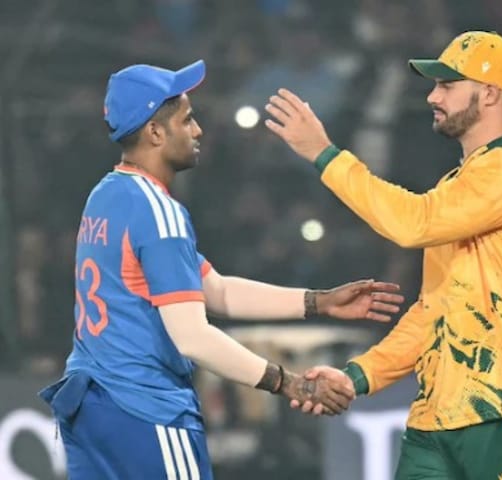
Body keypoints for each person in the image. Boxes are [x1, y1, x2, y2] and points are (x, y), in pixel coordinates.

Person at [38, 59, 405, 480]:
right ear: (155, 132)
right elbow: (193, 337)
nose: (198, 131)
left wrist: (318, 302)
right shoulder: (158, 212)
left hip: (91, 409)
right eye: (186, 120)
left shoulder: (107, 196)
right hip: (145, 410)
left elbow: (214, 289)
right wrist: (288, 382)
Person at [266, 30, 502, 479]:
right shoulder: (456, 186)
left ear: (488, 93)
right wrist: (357, 376)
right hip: (435, 417)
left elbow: (413, 224)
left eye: (447, 84)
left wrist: (325, 155)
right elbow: (435, 311)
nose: (432, 96)